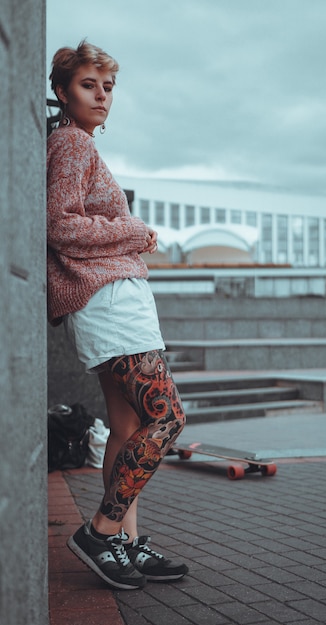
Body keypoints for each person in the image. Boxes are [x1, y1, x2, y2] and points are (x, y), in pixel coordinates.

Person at [47, 40, 188, 590]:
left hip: (108, 298)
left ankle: (125, 545)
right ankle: (102, 532)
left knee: (127, 427)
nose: (102, 96)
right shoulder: (72, 144)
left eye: (108, 87)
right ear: (62, 91)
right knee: (167, 418)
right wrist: (137, 232)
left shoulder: (76, 145)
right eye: (89, 85)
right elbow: (59, 225)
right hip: (106, 298)